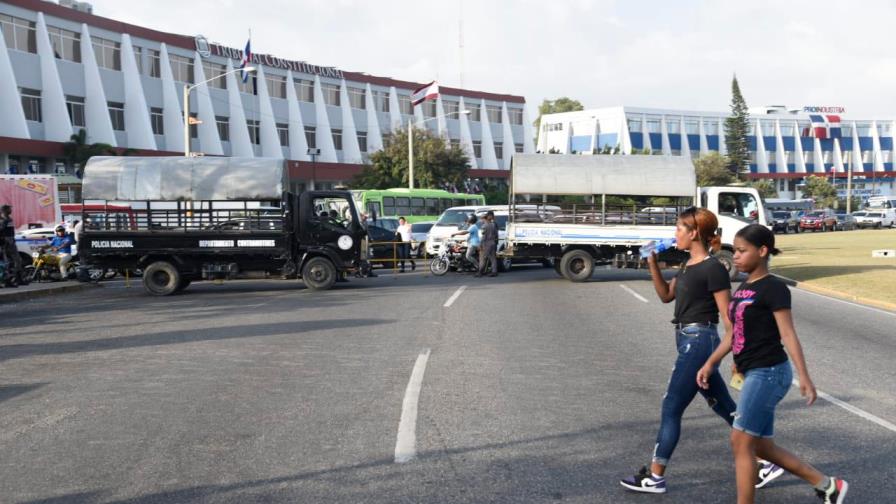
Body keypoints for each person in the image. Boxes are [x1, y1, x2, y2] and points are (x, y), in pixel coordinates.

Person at [697, 224, 848, 504]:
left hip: (768, 372)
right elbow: (734, 333)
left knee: (740, 442)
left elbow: (787, 333)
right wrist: (711, 362)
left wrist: (804, 376)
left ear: (762, 251)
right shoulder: (744, 287)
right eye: (736, 251)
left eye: (742, 251)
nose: (737, 256)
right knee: (762, 447)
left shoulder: (774, 288)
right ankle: (829, 486)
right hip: (752, 371)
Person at [621, 207, 745, 494]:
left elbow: (729, 320)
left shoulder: (713, 268)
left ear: (694, 233)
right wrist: (652, 263)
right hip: (688, 338)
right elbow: (666, 296)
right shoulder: (688, 264)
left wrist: (736, 356)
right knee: (724, 406)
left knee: (671, 407)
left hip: (699, 341)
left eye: (678, 228)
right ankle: (765, 457)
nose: (674, 234)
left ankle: (655, 476)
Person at [0, 204, 21, 287]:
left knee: (17, 260)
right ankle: (7, 280)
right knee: (6, 263)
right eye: (9, 208)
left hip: (11, 242)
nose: (11, 210)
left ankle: (17, 278)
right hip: (5, 243)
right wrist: (4, 241)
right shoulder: (2, 220)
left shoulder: (9, 219)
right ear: (4, 210)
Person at [478, 211, 498, 277]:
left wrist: (480, 245)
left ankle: (480, 272)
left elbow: (483, 237)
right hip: (493, 243)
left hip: (486, 244)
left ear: (485, 219)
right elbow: (496, 235)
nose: (481, 220)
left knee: (482, 258)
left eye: (482, 219)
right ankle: (494, 272)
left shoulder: (484, 226)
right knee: (493, 258)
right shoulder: (493, 225)